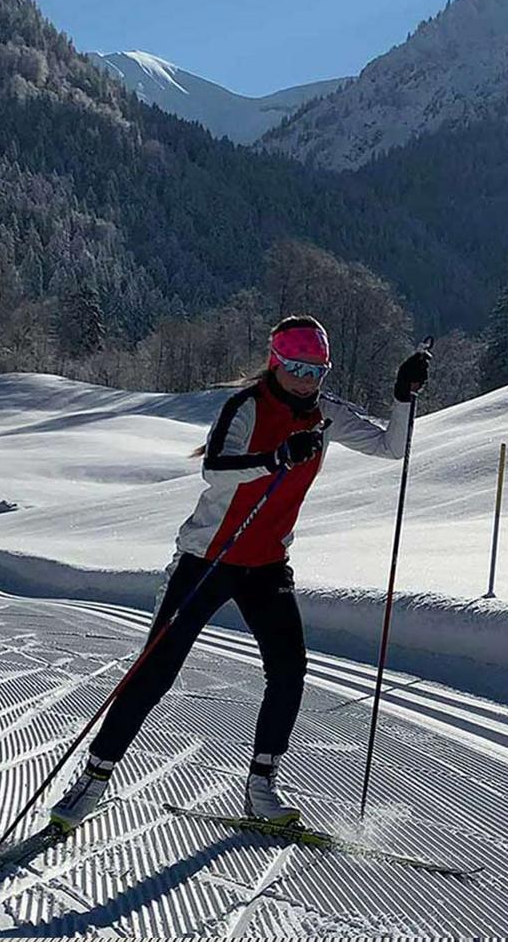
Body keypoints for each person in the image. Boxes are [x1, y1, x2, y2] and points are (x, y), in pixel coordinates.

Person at [48, 315, 430, 829]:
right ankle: (92, 779)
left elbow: (393, 448)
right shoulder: (245, 407)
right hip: (208, 558)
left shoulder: (326, 414)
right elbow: (216, 468)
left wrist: (403, 396)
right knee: (156, 671)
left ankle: (261, 787)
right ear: (275, 363)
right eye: (296, 367)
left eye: (317, 369)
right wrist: (276, 458)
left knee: (289, 669)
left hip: (266, 564)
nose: (307, 379)